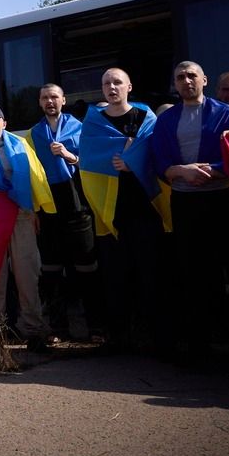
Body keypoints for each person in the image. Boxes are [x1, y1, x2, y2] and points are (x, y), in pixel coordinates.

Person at [150, 62, 229, 366]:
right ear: (174, 84)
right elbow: (160, 161)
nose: (186, 81)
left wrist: (209, 171)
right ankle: (200, 350)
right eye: (180, 77)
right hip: (186, 206)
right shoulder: (166, 120)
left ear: (204, 79)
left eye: (192, 76)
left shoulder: (226, 113)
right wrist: (180, 171)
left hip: (223, 200)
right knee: (195, 275)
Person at [79, 68, 169, 355]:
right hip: (112, 213)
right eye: (106, 83)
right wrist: (116, 159)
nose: (112, 87)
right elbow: (88, 161)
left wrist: (133, 161)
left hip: (145, 207)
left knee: (151, 274)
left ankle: (157, 337)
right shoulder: (93, 123)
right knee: (116, 277)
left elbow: (158, 152)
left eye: (117, 82)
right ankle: (120, 338)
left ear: (129, 86)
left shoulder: (147, 119)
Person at [0, 105, 55, 351]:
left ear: (4, 123)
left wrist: (34, 210)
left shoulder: (21, 146)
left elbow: (35, 179)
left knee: (27, 273)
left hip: (21, 215)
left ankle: (33, 330)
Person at [28, 84, 103, 343]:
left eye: (54, 97)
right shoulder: (34, 133)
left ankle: (96, 328)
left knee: (86, 267)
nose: (50, 101)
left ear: (63, 100)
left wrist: (70, 155)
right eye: (45, 98)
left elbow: (93, 161)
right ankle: (58, 329)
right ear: (39, 102)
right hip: (49, 206)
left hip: (77, 202)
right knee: (51, 269)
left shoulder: (79, 127)